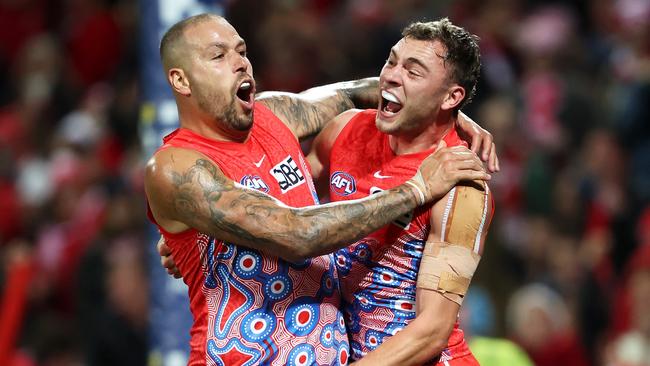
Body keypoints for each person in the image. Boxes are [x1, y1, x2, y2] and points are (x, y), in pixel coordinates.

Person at [146, 14, 495, 365]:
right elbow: (298, 233)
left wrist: (442, 111)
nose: (240, 64)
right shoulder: (176, 168)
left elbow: (349, 92)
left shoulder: (274, 117)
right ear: (181, 79)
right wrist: (416, 189)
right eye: (219, 56)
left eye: (242, 52)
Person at [306, 19, 493, 365]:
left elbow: (433, 330)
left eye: (414, 71)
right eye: (392, 61)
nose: (391, 76)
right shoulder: (344, 130)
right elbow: (282, 206)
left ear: (452, 97)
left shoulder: (462, 186)